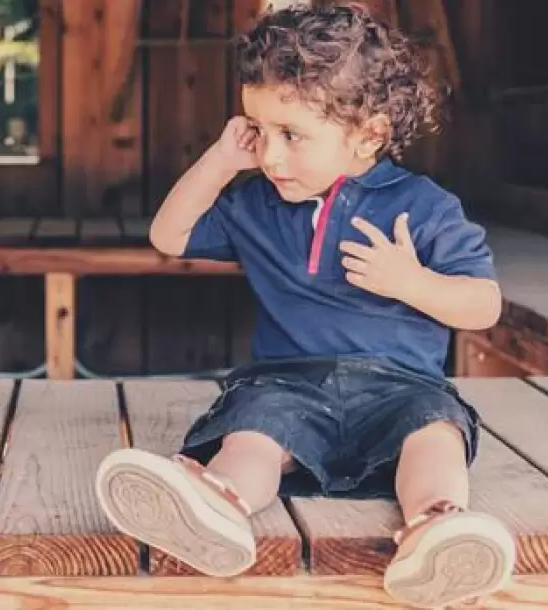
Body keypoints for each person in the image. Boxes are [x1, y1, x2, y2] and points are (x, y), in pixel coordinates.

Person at [94, 4, 515, 608]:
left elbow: (484, 306)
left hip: (400, 388)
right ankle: (218, 508)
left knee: (436, 431)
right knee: (255, 432)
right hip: (288, 385)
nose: (270, 155)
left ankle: (437, 529)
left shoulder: (424, 207)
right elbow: (169, 236)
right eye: (259, 131)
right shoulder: (258, 204)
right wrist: (218, 162)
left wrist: (412, 282)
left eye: (291, 135)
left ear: (367, 133)